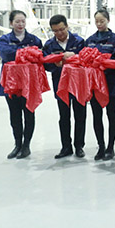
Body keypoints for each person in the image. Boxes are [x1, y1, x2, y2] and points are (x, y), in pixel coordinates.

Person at [0, 10, 43, 159]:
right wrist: (27, 52)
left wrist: (23, 53)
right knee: (15, 115)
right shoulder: (4, 39)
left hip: (29, 84)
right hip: (11, 84)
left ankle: (26, 145)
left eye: (23, 21)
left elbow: (39, 55)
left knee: (29, 112)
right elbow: (7, 54)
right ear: (11, 23)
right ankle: (17, 144)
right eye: (17, 21)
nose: (20, 24)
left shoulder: (34, 40)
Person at [43, 14, 85, 159]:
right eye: (55, 31)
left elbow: (86, 59)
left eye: (62, 29)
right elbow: (45, 64)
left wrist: (75, 56)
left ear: (67, 26)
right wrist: (55, 65)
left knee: (80, 115)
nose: (59, 33)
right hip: (60, 85)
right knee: (64, 117)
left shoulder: (79, 41)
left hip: (78, 84)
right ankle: (66, 147)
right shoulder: (49, 45)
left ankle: (79, 146)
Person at [85, 8, 115, 161]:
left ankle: (110, 147)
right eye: (97, 21)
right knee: (96, 115)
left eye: (102, 21)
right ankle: (100, 146)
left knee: (111, 114)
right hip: (95, 83)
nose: (99, 24)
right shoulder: (90, 40)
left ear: (108, 20)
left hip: (111, 81)